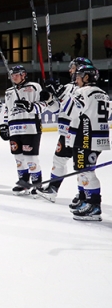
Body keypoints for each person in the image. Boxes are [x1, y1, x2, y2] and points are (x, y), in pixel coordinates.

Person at [37, 58, 90, 202]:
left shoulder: (85, 89)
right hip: (65, 133)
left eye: (72, 68)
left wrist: (59, 92)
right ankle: (52, 189)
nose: (70, 70)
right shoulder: (68, 87)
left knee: (80, 165)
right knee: (58, 161)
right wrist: (49, 100)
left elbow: (75, 109)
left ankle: (83, 193)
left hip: (79, 132)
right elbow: (58, 110)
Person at [66, 64, 109, 221]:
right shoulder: (103, 93)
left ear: (86, 77)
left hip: (85, 136)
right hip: (98, 136)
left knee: (86, 171)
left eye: (79, 76)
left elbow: (70, 111)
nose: (76, 79)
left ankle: (93, 206)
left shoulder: (81, 92)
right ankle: (86, 199)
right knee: (84, 170)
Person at [0, 65, 46, 195]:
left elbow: (44, 104)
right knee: (19, 158)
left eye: (17, 74)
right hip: (14, 129)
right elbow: (7, 110)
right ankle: (23, 182)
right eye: (12, 75)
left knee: (31, 158)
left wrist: (30, 106)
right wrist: (4, 124)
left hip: (30, 127)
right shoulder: (9, 91)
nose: (14, 77)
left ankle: (37, 184)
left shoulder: (34, 87)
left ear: (24, 75)